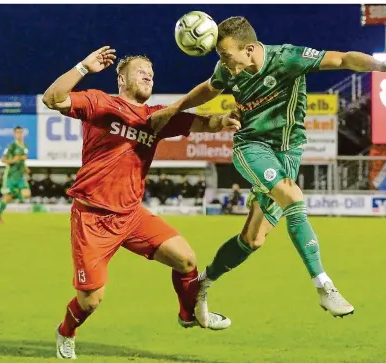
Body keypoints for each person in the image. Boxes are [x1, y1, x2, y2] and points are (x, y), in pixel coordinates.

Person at [151, 16, 386, 326]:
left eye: (227, 55)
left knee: (253, 239)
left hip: (289, 154)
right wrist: (174, 109)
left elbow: (341, 58)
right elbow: (207, 89)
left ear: (249, 49)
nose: (224, 63)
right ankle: (324, 286)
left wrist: (380, 66)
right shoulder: (227, 71)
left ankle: (201, 284)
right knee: (293, 196)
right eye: (220, 56)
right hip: (252, 148)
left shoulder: (287, 58)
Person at [42, 46, 240, 360]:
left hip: (132, 215)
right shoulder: (100, 103)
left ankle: (187, 314)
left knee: (186, 260)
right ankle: (66, 331)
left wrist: (225, 119)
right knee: (90, 300)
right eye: (140, 71)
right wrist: (83, 67)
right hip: (93, 217)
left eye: (151, 74)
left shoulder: (155, 118)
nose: (148, 76)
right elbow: (51, 99)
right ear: (121, 78)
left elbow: (205, 124)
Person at [0, 126, 31, 223]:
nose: (19, 134)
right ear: (14, 134)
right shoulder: (11, 146)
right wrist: (13, 160)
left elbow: (23, 160)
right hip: (11, 176)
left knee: (27, 194)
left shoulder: (25, 146)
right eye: (17, 132)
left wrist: (26, 168)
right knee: (7, 198)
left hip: (20, 176)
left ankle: (14, 193)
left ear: (23, 133)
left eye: (21, 132)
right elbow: (3, 160)